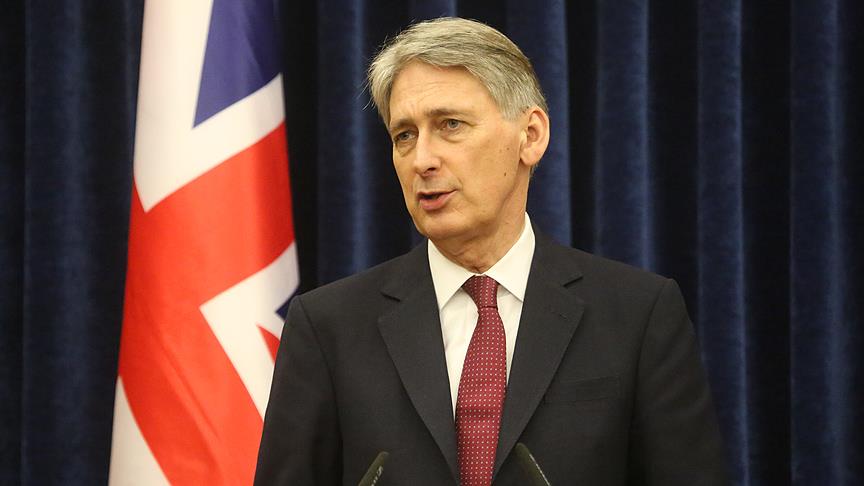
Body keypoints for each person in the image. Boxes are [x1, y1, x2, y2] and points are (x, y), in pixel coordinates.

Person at [255, 17, 728, 485]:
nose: (422, 160)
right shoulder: (328, 328)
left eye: (450, 125)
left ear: (531, 136)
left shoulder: (638, 316)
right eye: (405, 136)